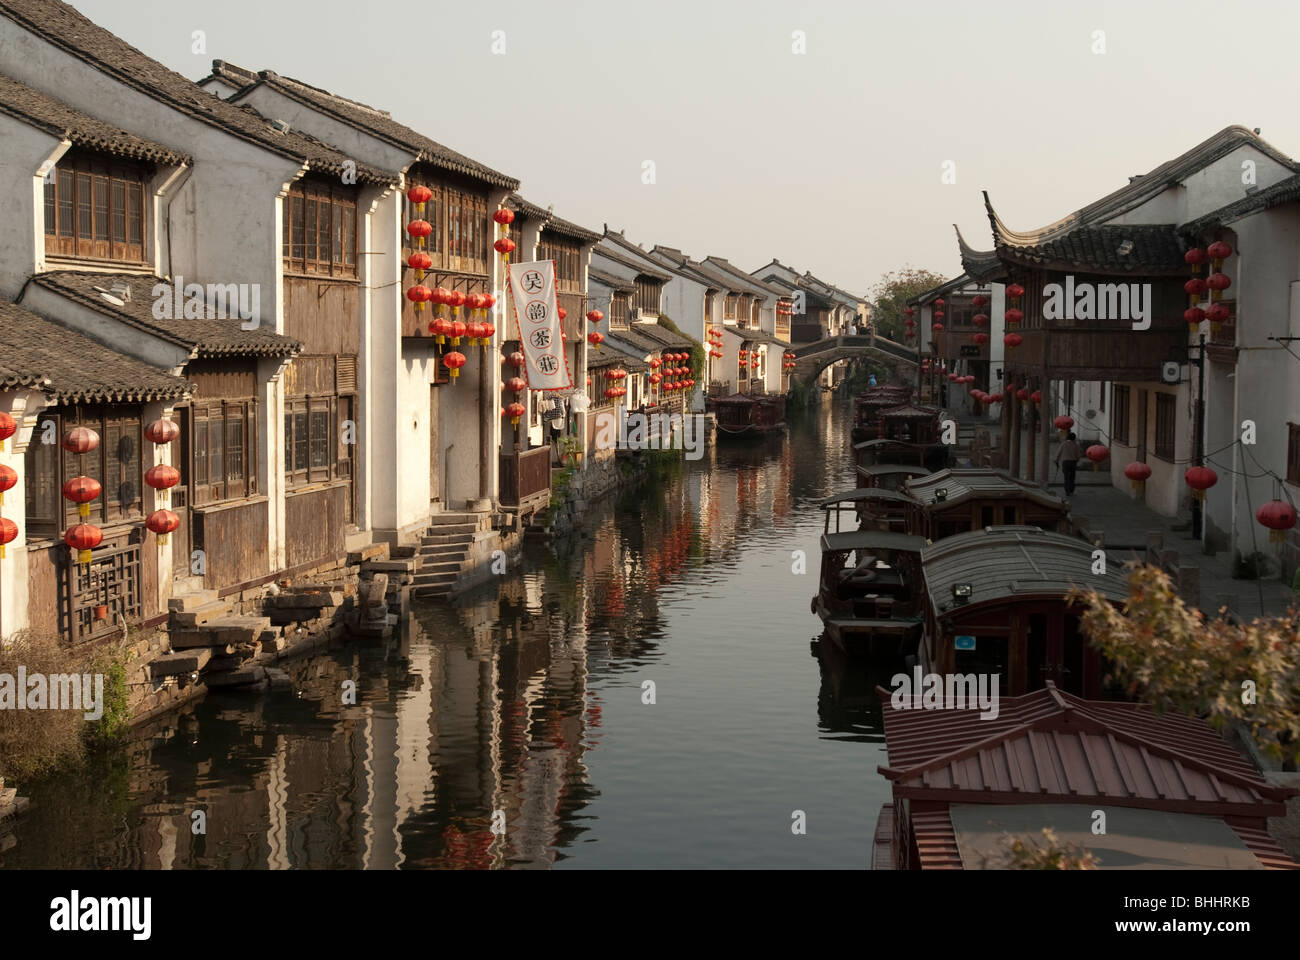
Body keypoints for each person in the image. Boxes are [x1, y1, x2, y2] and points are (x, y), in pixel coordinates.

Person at [1056, 431, 1082, 496]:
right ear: (1074, 438)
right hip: (1073, 462)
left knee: (1066, 477)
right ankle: (1071, 490)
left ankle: (1067, 491)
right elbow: (1078, 455)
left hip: (1065, 462)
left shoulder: (1063, 444)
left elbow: (1058, 453)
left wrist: (1056, 460)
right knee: (1072, 477)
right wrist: (1077, 460)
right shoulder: (1076, 445)